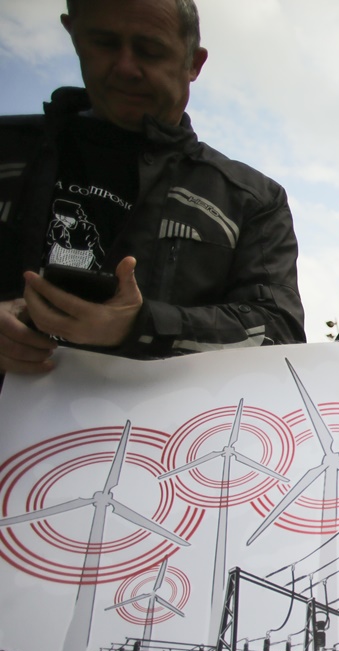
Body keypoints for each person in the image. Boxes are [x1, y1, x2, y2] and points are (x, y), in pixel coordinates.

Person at [0, 0, 304, 382]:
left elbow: (279, 333)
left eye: (150, 50)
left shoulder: (251, 199)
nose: (126, 67)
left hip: (154, 438)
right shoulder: (7, 150)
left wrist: (139, 327)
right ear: (73, 35)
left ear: (194, 63)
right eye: (104, 43)